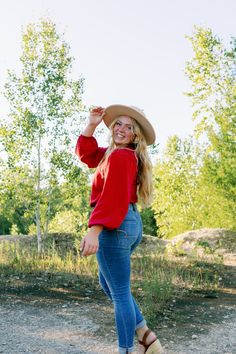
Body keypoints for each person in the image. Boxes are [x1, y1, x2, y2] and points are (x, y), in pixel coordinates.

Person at [75, 105, 164, 354]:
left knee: (121, 293)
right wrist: (92, 123)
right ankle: (146, 335)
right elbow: (86, 154)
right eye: (118, 124)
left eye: (129, 127)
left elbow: (113, 197)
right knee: (110, 285)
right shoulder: (114, 154)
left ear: (136, 135)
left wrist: (95, 229)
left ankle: (127, 349)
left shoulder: (121, 156)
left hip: (117, 225)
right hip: (128, 223)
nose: (121, 129)